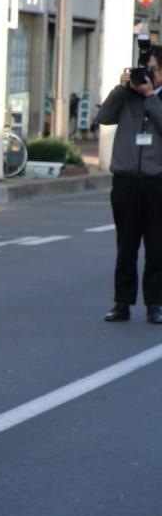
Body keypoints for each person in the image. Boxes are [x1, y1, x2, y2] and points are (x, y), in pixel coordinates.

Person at [95, 47, 162, 324]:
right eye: (143, 68)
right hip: (125, 182)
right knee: (125, 247)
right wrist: (120, 89)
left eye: (153, 69)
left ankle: (155, 304)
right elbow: (103, 118)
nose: (146, 74)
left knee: (157, 248)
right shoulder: (125, 97)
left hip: (157, 183)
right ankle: (121, 303)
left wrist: (150, 97)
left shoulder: (156, 99)